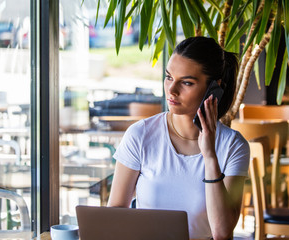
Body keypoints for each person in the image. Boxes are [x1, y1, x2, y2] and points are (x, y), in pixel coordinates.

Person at [107, 37, 250, 240]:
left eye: (186, 82)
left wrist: (209, 155)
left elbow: (222, 232)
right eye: (168, 77)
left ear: (214, 88)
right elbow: (115, 213)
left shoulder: (233, 146)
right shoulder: (140, 135)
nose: (171, 90)